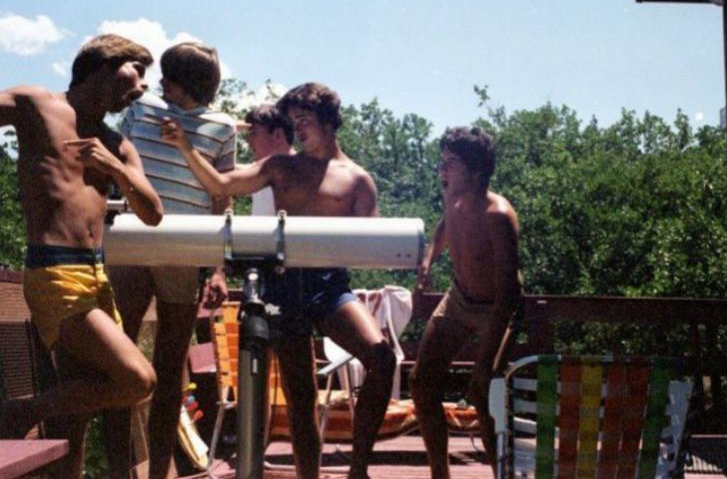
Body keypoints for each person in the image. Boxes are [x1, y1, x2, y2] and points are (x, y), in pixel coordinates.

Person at [160, 82, 395, 479]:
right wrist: (185, 145)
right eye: (294, 120)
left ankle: (358, 470)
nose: (298, 127)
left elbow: (371, 246)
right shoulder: (281, 167)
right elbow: (221, 186)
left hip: (330, 287)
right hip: (284, 288)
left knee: (382, 356)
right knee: (301, 406)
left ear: (329, 121)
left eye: (306, 119)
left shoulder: (358, 180)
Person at [0, 34, 164, 478]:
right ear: (105, 63)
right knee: (137, 380)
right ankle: (18, 412)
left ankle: (35, 417)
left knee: (73, 425)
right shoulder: (37, 104)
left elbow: (153, 213)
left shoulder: (117, 143)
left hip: (97, 277)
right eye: (137, 70)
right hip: (53, 272)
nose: (143, 86)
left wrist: (114, 168)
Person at [105, 42, 237, 479]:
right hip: (129, 242)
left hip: (185, 251)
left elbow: (222, 196)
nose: (160, 81)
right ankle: (120, 471)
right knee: (117, 361)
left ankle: (159, 472)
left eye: (170, 75)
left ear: (188, 81)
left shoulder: (222, 128)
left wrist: (217, 267)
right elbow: (113, 159)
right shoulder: (141, 109)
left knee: (168, 368)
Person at [410, 126, 521, 479]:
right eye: (441, 162)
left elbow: (508, 293)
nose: (442, 171)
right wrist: (429, 259)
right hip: (459, 298)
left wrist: (485, 362)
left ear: (475, 172)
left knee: (481, 391)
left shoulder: (498, 216)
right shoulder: (452, 197)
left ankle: (501, 474)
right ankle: (439, 474)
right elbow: (445, 226)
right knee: (421, 380)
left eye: (451, 164)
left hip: (497, 307)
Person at [244, 103, 295, 215]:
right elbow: (223, 170)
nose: (248, 140)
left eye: (254, 133)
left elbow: (221, 184)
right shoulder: (259, 170)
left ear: (277, 135)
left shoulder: (304, 174)